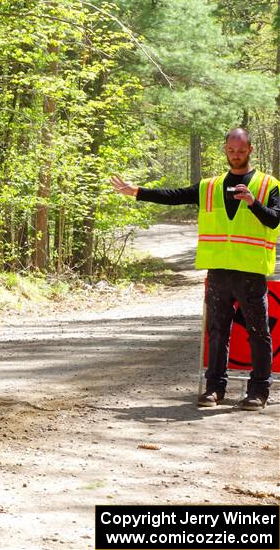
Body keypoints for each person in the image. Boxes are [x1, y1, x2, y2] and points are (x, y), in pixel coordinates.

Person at [111, 128, 280, 410]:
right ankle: (215, 389)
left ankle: (259, 392)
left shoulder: (268, 184)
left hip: (251, 273)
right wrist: (137, 192)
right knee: (217, 332)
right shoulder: (209, 186)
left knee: (259, 332)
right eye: (231, 150)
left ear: (250, 149)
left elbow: (274, 220)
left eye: (241, 150)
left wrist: (252, 203)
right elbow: (174, 195)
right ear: (225, 149)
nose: (236, 155)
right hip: (218, 273)